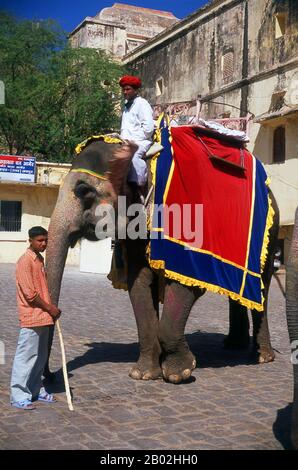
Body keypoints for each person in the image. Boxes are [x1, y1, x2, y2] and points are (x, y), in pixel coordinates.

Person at [10, 226, 61, 410]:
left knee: (40, 358)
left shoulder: (39, 260)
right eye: (40, 240)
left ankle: (35, 390)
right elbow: (30, 294)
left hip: (44, 317)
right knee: (26, 357)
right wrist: (50, 308)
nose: (44, 244)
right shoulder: (25, 261)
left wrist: (50, 311)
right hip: (31, 317)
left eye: (45, 240)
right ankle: (18, 395)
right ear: (30, 240)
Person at [119, 75, 154, 188]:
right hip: (125, 141)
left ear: (135, 90)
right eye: (123, 89)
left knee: (133, 157)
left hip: (141, 141)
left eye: (128, 89)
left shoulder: (142, 104)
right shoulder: (126, 107)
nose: (125, 92)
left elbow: (148, 129)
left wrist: (131, 141)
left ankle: (138, 187)